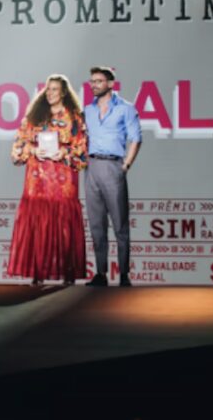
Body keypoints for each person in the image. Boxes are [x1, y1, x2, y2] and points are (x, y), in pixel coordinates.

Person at [8, 75, 88, 285]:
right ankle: (38, 273)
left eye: (55, 89)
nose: (50, 93)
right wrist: (33, 150)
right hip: (37, 182)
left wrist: (65, 153)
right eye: (48, 89)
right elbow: (17, 149)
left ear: (63, 93)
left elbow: (82, 152)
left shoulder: (74, 118)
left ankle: (68, 274)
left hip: (63, 182)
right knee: (39, 226)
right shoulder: (34, 116)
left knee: (64, 228)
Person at [83, 66, 142, 287]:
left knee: (120, 224)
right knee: (96, 225)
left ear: (110, 84)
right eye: (92, 81)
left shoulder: (126, 108)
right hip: (91, 167)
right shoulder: (88, 110)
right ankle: (101, 273)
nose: (94, 85)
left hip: (113, 165)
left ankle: (124, 274)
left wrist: (126, 165)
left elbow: (136, 138)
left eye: (98, 81)